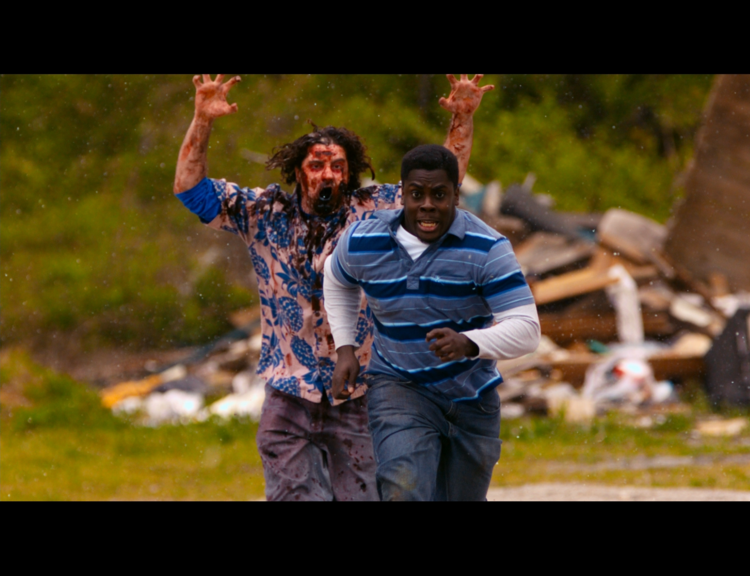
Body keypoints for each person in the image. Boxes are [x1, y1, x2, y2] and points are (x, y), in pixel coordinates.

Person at [172, 74, 493, 501]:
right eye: (316, 166)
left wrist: (463, 118)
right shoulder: (265, 213)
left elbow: (442, 183)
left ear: (350, 173)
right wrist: (202, 119)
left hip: (360, 392)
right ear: (297, 172)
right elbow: (189, 189)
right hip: (289, 390)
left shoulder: (374, 213)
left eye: (338, 167)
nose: (328, 175)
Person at [323, 144, 540, 501]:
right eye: (416, 194)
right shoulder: (364, 241)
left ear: (456, 195)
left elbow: (527, 329)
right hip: (399, 386)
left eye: (439, 195)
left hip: (471, 396)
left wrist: (469, 343)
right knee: (402, 489)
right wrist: (345, 347)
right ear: (402, 194)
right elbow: (336, 278)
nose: (427, 205)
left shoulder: (486, 248)